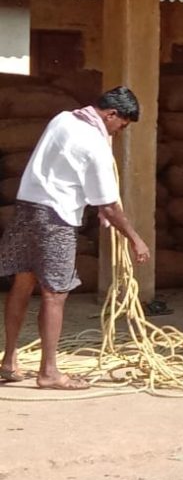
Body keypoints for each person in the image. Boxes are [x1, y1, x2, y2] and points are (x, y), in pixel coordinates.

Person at [0, 87, 150, 390]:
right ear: (111, 115)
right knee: (55, 293)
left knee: (23, 283)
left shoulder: (63, 119)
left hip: (27, 207)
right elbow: (107, 204)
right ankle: (49, 372)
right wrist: (135, 238)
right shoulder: (93, 143)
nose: (119, 133)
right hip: (56, 218)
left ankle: (9, 360)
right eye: (121, 126)